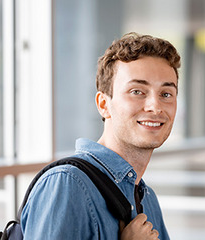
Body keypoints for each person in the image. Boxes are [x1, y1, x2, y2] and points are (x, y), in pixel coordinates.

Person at [20, 32, 181, 240]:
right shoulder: (67, 184)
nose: (155, 106)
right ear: (104, 105)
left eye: (166, 94)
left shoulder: (146, 197)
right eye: (137, 91)